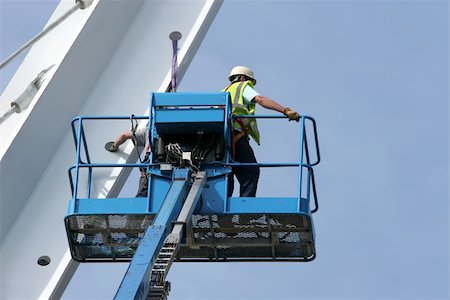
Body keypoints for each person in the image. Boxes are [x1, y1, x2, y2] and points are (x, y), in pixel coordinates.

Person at [223, 66, 300, 197]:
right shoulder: (242, 86)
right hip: (236, 134)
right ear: (242, 78)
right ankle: (245, 206)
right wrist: (285, 111)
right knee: (250, 170)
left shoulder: (223, 92)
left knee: (225, 172)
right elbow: (260, 100)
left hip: (219, 139)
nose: (251, 86)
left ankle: (223, 204)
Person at [105, 126, 151, 197]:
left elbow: (124, 135)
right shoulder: (174, 128)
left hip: (150, 160)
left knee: (143, 191)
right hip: (171, 161)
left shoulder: (148, 129)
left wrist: (114, 146)